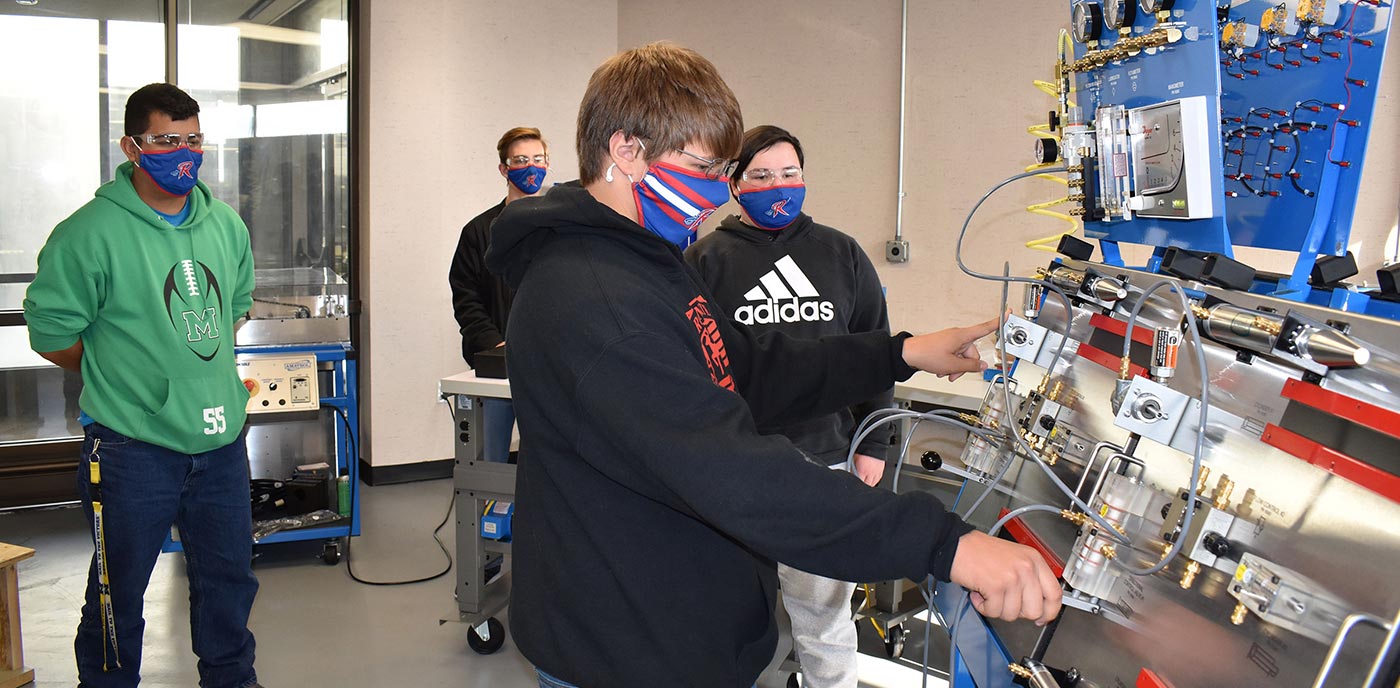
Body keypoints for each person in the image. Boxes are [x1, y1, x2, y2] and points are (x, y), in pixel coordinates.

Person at [484, 42, 1061, 688]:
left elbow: (744, 366)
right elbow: (736, 473)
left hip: (672, 629)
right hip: (628, 652)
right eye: (703, 166)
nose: (714, 190)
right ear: (626, 152)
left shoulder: (646, 263)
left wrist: (898, 353)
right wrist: (945, 545)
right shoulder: (595, 300)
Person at [24, 83, 262, 688]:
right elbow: (51, 333)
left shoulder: (226, 225)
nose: (182, 152)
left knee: (230, 582)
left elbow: (231, 309)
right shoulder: (88, 233)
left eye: (192, 140)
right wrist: (123, 375)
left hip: (220, 441)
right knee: (117, 592)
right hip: (132, 449)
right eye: (165, 140)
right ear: (132, 146)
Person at [685, 125, 892, 687]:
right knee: (727, 610)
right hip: (737, 463)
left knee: (824, 615)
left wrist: (873, 445)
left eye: (790, 173)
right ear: (734, 182)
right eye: (762, 175)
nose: (779, 185)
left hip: (825, 462)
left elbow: (875, 349)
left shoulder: (841, 253)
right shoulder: (705, 259)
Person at [449, 126, 550, 463]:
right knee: (487, 461)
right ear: (504, 169)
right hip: (498, 366)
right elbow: (466, 297)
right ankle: (490, 518)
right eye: (521, 160)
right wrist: (495, 345)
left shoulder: (559, 229)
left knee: (548, 463)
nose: (531, 167)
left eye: (538, 159)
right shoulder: (479, 231)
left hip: (548, 365)